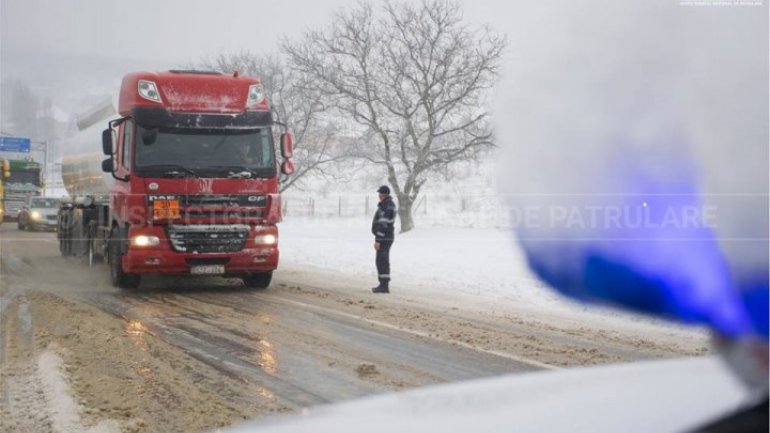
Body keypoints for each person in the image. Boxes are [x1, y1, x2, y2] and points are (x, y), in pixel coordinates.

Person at [371, 185, 397, 293]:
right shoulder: (387, 205)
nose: (379, 196)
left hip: (384, 238)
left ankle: (384, 285)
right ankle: (383, 284)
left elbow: (383, 224)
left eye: (380, 194)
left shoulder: (386, 206)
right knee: (382, 260)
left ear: (384, 194)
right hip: (387, 237)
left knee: (382, 261)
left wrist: (378, 239)